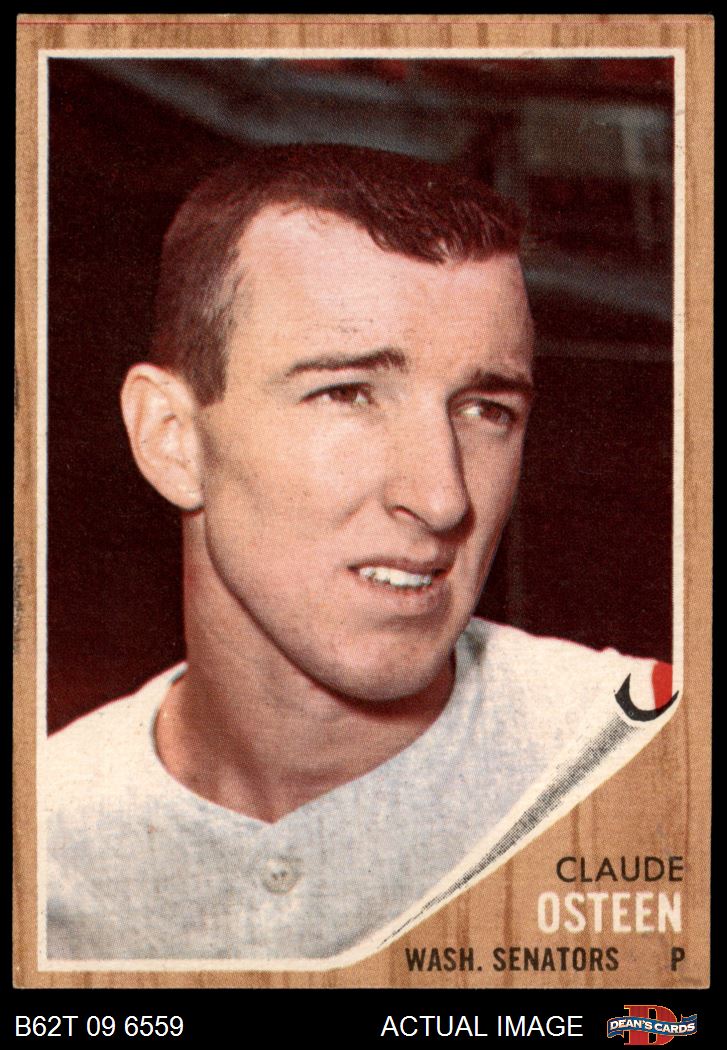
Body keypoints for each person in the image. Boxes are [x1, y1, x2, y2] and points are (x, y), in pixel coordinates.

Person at [45, 144, 678, 963]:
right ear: (171, 439)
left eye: (485, 409)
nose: (443, 498)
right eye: (345, 393)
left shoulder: (649, 764)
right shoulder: (48, 835)